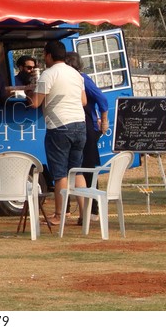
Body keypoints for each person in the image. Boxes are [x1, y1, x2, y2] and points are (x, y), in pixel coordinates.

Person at [27, 41, 87, 226]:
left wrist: (29, 93)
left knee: (60, 173)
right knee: (76, 170)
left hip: (59, 127)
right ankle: (85, 215)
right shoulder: (76, 74)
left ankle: (60, 214)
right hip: (80, 124)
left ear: (49, 56)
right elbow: (84, 101)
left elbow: (35, 103)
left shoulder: (48, 74)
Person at [65, 51, 109, 220]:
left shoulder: (82, 79)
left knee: (88, 167)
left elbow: (102, 99)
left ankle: (93, 210)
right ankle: (67, 209)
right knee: (70, 167)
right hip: (73, 126)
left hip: (87, 127)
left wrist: (103, 120)